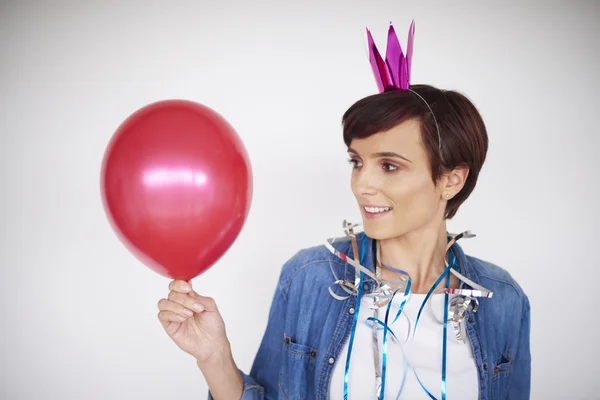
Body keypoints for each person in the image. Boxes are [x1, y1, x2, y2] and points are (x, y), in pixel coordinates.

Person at [156, 22, 531, 400]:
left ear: (451, 180)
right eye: (356, 161)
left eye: (389, 165)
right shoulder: (311, 278)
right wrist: (214, 356)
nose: (361, 184)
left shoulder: (502, 300)